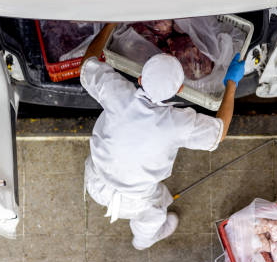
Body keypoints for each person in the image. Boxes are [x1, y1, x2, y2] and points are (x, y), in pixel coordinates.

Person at [80, 23, 244, 250]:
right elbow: (219, 133)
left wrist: (110, 25)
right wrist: (232, 84)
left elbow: (87, 63)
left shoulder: (117, 93)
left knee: (153, 199)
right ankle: (142, 241)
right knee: (153, 217)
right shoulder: (176, 124)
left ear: (139, 79)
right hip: (137, 201)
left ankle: (144, 236)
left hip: (95, 181)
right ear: (179, 91)